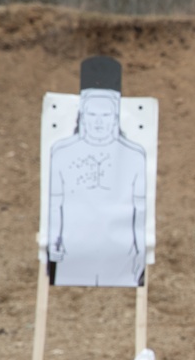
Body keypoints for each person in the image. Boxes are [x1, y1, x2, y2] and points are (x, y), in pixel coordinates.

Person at [48, 88, 147, 287]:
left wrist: (140, 251)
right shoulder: (61, 152)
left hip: (122, 252)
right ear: (83, 117)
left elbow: (139, 210)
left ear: (115, 117)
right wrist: (53, 242)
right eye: (92, 114)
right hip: (72, 249)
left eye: (105, 114)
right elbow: (55, 204)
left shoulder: (135, 155)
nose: (99, 121)